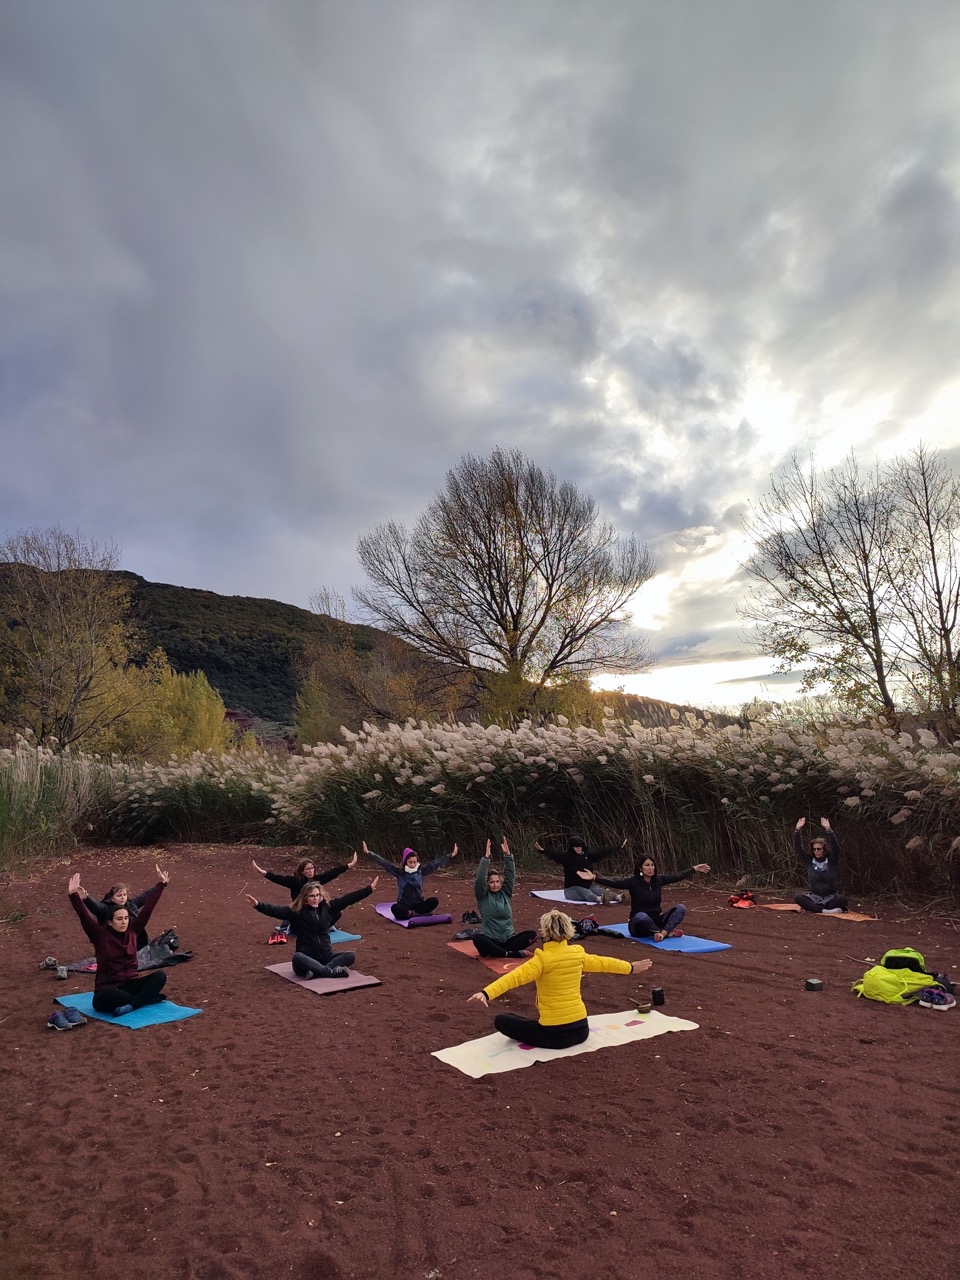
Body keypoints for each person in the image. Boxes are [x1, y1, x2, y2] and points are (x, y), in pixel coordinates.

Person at [467, 908, 652, 1048]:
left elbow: (513, 978)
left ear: (544, 932)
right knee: (522, 1021)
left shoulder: (542, 960)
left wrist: (486, 993)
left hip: (554, 1035)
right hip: (581, 1030)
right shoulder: (577, 954)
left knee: (502, 1020)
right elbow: (604, 963)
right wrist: (631, 968)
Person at [67, 866, 171, 1015]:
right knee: (109, 996)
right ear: (110, 921)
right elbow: (84, 916)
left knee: (160, 976)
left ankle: (133, 1005)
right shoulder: (99, 935)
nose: (124, 922)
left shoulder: (133, 931)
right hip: (107, 990)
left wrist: (162, 884)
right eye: (119, 919)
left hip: (130, 984)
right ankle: (144, 999)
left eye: (126, 918)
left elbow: (148, 908)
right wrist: (73, 896)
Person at [244, 876, 378, 979]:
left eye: (317, 895)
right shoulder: (297, 911)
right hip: (306, 960)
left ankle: (319, 971)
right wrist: (257, 904)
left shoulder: (327, 907)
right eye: (312, 896)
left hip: (326, 957)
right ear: (305, 897)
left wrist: (368, 890)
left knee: (350, 955)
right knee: (297, 957)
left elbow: (348, 899)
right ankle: (329, 972)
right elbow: (275, 910)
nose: (315, 899)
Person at [579, 856, 711, 940]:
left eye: (652, 865)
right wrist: (594, 877)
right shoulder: (633, 882)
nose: (650, 868)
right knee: (641, 916)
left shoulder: (658, 880)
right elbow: (614, 882)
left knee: (680, 908)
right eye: (647, 865)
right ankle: (665, 933)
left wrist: (694, 869)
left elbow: (677, 876)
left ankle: (662, 934)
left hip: (656, 921)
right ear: (641, 868)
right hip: (638, 926)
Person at [251, 852, 358, 943]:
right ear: (302, 871)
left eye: (312, 868)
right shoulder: (294, 881)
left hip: (315, 912)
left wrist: (349, 865)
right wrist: (263, 873)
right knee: (293, 919)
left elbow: (332, 873)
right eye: (308, 869)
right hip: (300, 912)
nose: (311, 871)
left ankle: (319, 925)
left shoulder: (317, 879)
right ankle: (293, 924)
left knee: (337, 914)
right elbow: (277, 878)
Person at [471, 838, 537, 959]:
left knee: (532, 934)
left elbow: (510, 876)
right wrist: (486, 858)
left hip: (508, 940)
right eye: (491, 882)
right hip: (491, 940)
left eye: (497, 882)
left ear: (501, 883)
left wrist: (507, 856)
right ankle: (510, 953)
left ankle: (500, 952)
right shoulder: (482, 896)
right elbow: (480, 880)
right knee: (477, 938)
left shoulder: (505, 893)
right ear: (487, 884)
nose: (495, 885)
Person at [363, 840, 458, 919]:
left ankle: (414, 913)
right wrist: (369, 853)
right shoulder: (399, 872)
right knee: (395, 908)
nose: (412, 864)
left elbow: (436, 863)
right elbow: (384, 863)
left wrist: (450, 855)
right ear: (405, 862)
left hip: (418, 905)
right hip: (404, 905)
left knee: (434, 901)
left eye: (414, 862)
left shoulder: (421, 871)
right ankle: (410, 914)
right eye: (410, 862)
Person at [535, 834, 626, 904]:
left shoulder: (587, 856)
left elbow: (602, 852)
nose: (578, 848)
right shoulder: (566, 857)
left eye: (580, 846)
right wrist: (543, 851)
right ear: (571, 847)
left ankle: (619, 897)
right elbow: (554, 855)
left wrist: (617, 847)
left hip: (587, 885)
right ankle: (599, 899)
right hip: (571, 889)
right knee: (586, 892)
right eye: (575, 846)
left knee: (598, 890)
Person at [794, 816, 848, 913]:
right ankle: (825, 911)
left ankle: (816, 909)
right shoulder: (810, 861)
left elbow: (836, 848)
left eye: (819, 849)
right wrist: (797, 830)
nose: (816, 851)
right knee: (798, 897)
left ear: (824, 850)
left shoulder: (831, 861)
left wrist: (829, 830)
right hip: (815, 897)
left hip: (830, 897)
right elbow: (799, 848)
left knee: (841, 899)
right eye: (814, 849)